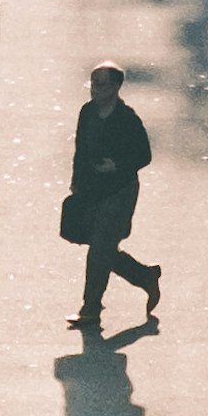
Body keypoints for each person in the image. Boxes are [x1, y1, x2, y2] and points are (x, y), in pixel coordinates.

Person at [66, 61, 160, 342]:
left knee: (100, 249)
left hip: (119, 191)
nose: (96, 89)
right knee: (102, 247)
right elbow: (80, 150)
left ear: (117, 87)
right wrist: (76, 182)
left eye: (102, 84)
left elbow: (144, 155)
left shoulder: (127, 119)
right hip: (93, 189)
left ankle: (90, 309)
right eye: (93, 83)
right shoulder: (87, 112)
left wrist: (116, 165)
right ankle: (144, 276)